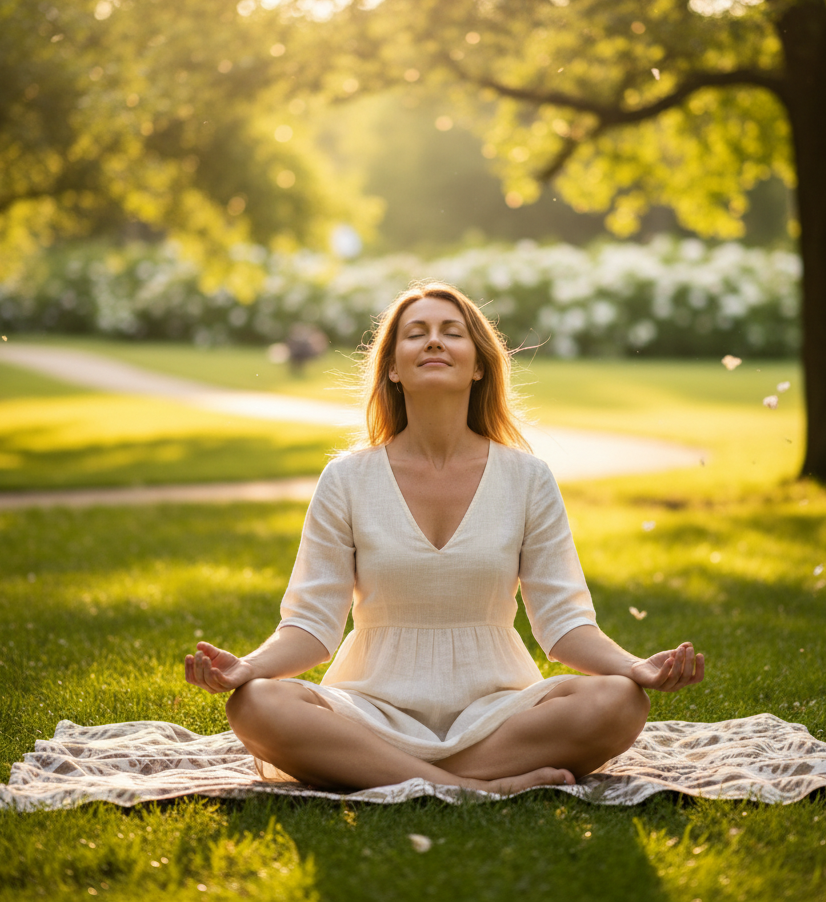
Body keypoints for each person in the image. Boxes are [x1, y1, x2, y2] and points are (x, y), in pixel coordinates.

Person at [185, 282, 704, 795]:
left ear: (479, 364)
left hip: (499, 713)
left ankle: (393, 774)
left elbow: (564, 623)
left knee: (621, 701)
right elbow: (311, 625)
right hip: (369, 709)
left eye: (451, 332)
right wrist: (248, 667)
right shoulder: (346, 479)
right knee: (254, 704)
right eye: (416, 334)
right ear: (392, 367)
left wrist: (634, 667)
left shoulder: (527, 478)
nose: (433, 341)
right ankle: (474, 784)